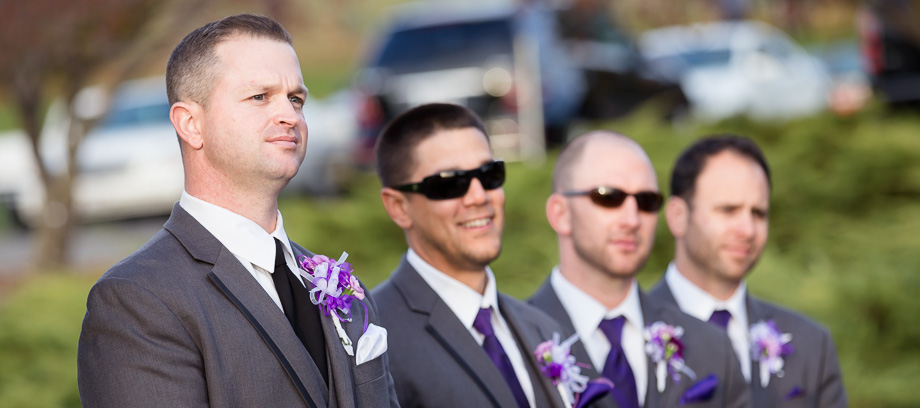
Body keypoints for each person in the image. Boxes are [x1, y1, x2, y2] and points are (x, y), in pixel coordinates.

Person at [77, 14, 398, 407]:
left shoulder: (340, 284)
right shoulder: (138, 301)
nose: (290, 116)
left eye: (296, 99)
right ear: (191, 123)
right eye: (260, 96)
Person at [528, 131, 751, 408]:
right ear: (560, 213)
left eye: (647, 202)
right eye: (608, 197)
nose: (632, 219)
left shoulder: (712, 348)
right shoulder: (515, 344)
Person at [371, 103, 567, 408]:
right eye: (451, 182)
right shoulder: (373, 341)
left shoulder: (541, 328)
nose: (479, 196)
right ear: (398, 206)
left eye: (489, 174)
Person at [648, 135, 847, 407]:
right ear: (678, 217)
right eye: (728, 210)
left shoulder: (811, 345)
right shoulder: (630, 336)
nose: (748, 230)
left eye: (758, 213)